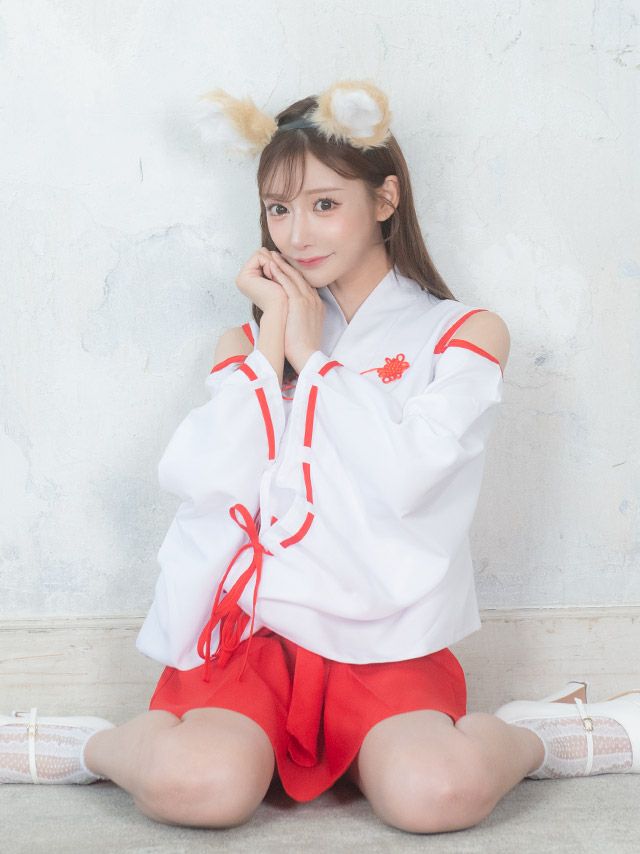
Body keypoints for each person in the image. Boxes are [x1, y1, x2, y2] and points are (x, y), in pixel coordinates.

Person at [2, 80, 638, 834]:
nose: (296, 234)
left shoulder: (462, 333)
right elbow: (211, 489)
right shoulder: (249, 343)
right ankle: (87, 745)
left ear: (386, 198)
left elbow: (411, 473)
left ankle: (543, 734)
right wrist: (275, 342)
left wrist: (316, 361)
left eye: (324, 204)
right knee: (198, 788)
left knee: (437, 795)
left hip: (389, 636)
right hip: (253, 637)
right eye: (278, 209)